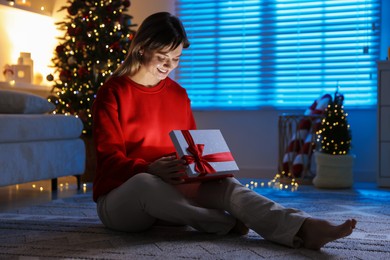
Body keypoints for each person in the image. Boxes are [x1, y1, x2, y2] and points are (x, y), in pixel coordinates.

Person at [92, 11, 356, 250]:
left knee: (229, 187)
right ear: (141, 49)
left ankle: (303, 227)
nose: (169, 66)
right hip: (124, 198)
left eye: (176, 59)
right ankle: (222, 223)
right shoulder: (112, 93)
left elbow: (189, 148)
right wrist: (149, 168)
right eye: (162, 58)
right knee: (145, 184)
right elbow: (109, 160)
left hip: (171, 192)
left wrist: (207, 168)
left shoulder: (178, 95)